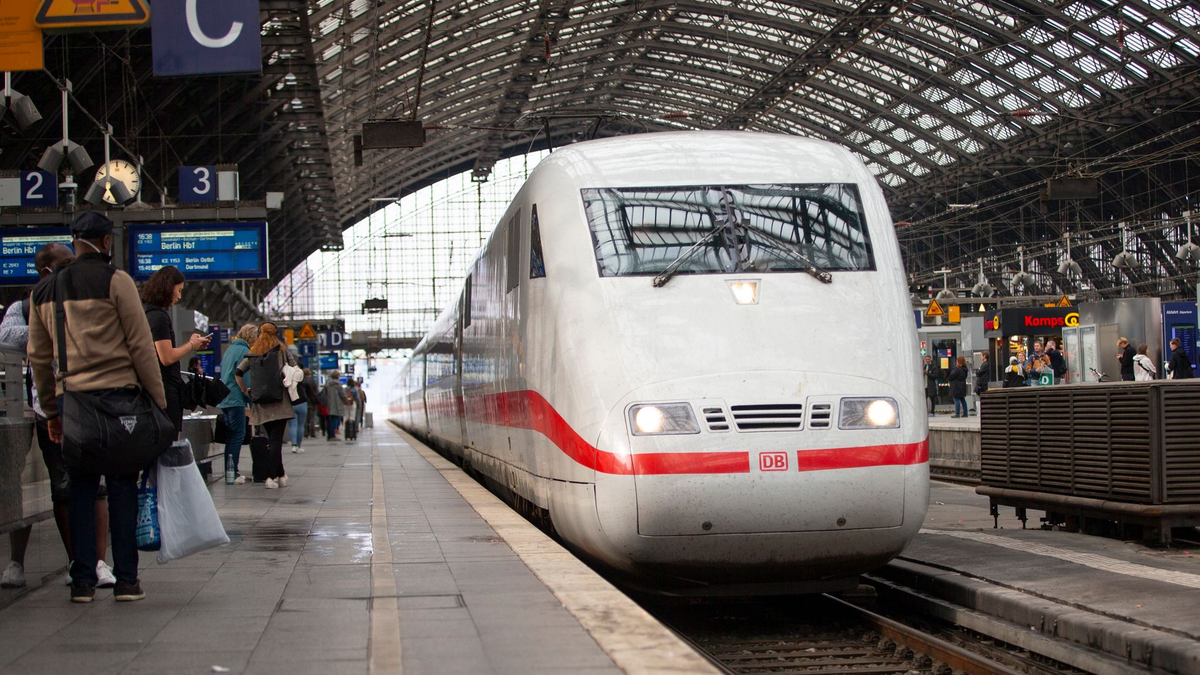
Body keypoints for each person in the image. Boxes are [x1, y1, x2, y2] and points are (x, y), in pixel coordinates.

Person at [27, 211, 167, 603]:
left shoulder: (43, 292)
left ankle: (84, 583)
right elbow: (141, 346)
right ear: (107, 243)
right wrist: (158, 400)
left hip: (73, 405)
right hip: (120, 403)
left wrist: (52, 413)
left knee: (81, 491)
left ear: (75, 242)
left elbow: (38, 358)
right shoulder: (117, 281)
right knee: (121, 487)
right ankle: (126, 581)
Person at [0, 243, 115, 591]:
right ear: (46, 270)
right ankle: (53, 561)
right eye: (65, 263)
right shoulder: (23, 307)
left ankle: (95, 561)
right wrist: (51, 327)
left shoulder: (84, 297)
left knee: (95, 486)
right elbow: (5, 337)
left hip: (87, 403)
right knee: (56, 488)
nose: (73, 267)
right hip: (42, 408)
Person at [142, 265, 210, 435]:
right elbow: (166, 357)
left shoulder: (147, 313)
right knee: (168, 443)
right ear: (167, 288)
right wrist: (191, 345)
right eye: (178, 290)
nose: (179, 296)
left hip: (154, 388)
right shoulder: (158, 317)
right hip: (165, 391)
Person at [235, 322, 296, 489]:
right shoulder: (282, 351)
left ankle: (281, 474)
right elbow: (296, 370)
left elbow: (238, 372)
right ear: (276, 333)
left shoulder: (253, 352)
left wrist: (245, 390)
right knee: (276, 440)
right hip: (280, 401)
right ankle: (270, 477)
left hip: (261, 403)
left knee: (272, 439)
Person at [217, 324, 257, 484]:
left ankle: (230, 472)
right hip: (235, 398)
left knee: (231, 435)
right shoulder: (243, 351)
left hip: (225, 398)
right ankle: (233, 472)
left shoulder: (230, 350)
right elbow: (244, 376)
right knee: (237, 435)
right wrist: (250, 396)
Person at [289, 367, 311, 453]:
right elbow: (310, 393)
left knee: (292, 425)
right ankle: (299, 446)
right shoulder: (303, 381)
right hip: (302, 403)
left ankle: (293, 445)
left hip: (292, 404)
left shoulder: (288, 381)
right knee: (300, 426)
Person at [322, 371, 350, 440]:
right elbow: (342, 394)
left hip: (329, 403)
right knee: (335, 419)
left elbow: (324, 393)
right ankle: (332, 435)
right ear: (338, 376)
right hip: (337, 404)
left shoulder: (327, 384)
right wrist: (346, 400)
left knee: (330, 420)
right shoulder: (338, 384)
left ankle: (329, 435)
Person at [302, 369, 320, 438]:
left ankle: (306, 433)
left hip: (305, 401)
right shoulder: (313, 381)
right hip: (312, 401)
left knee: (306, 418)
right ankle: (312, 433)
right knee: (312, 418)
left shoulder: (302, 381)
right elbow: (316, 391)